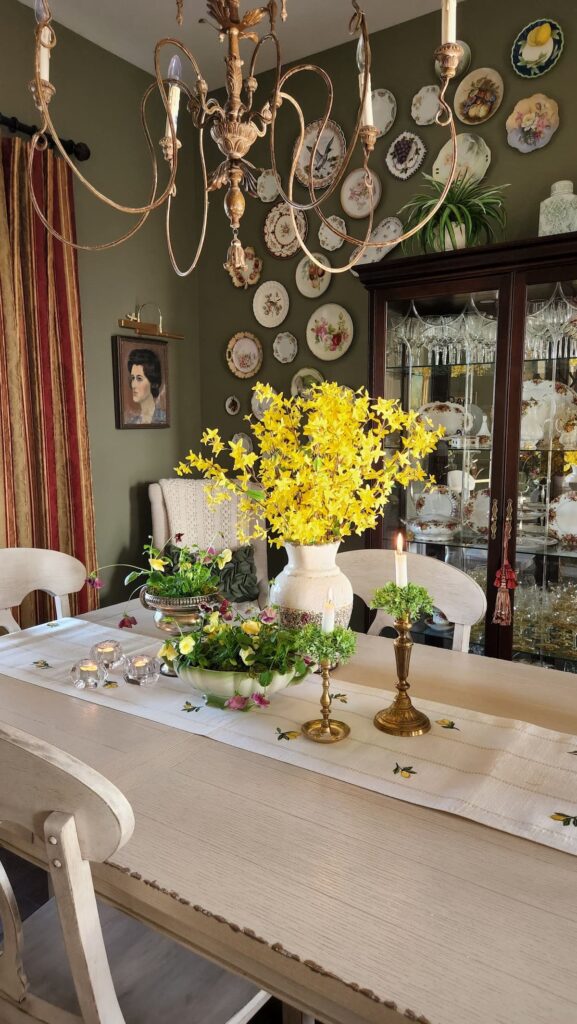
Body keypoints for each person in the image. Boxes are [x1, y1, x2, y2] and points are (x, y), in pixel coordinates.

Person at [126, 348, 166, 425]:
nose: (133, 385)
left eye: (139, 378)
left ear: (153, 383)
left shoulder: (163, 419)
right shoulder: (132, 422)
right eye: (132, 378)